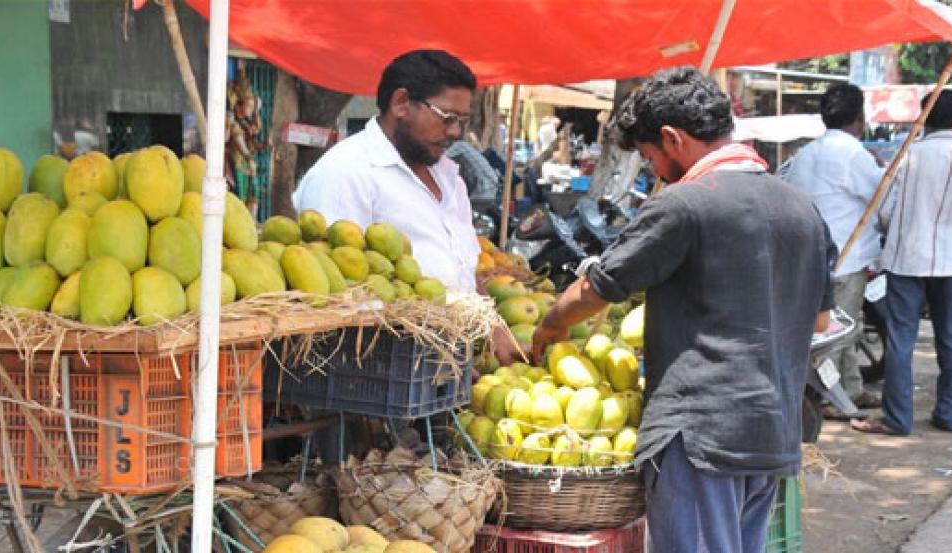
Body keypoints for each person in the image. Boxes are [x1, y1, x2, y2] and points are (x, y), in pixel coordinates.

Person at [529, 66, 833, 553]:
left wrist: (548, 326)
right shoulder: (803, 209)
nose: (653, 172)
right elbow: (819, 321)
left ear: (672, 138)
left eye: (649, 158)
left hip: (700, 437)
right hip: (773, 432)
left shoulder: (684, 204)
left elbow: (598, 289)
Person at [292, 50, 517, 362]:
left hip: (453, 369)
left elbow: (464, 269)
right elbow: (335, 296)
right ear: (400, 103)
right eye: (447, 118)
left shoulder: (449, 176)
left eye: (462, 121)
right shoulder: (345, 173)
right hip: (386, 372)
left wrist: (495, 328)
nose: (455, 132)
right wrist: (426, 362)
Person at [853, 90, 952, 435]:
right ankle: (949, 415)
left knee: (901, 339)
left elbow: (884, 212)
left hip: (907, 259)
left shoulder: (907, 157)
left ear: (925, 117)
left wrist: (904, 230)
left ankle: (897, 418)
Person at [779, 83, 884, 414]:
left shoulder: (805, 154)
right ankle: (829, 399)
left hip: (808, 257)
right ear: (859, 117)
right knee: (838, 333)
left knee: (846, 325)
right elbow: (882, 199)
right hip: (844, 259)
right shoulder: (854, 154)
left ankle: (851, 389)